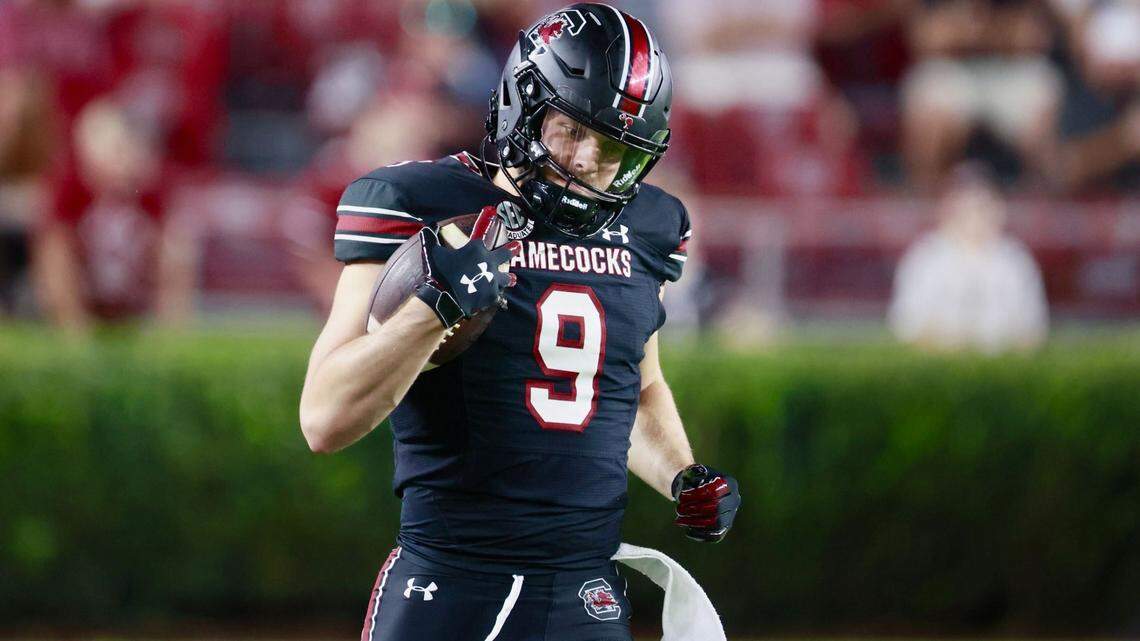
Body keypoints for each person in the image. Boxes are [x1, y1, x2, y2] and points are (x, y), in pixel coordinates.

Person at [298, 5, 741, 640]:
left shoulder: (651, 227)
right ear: (523, 105)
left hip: (583, 592)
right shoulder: (417, 204)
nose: (587, 160)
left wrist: (682, 475)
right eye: (571, 130)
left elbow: (636, 390)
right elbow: (323, 418)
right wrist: (432, 308)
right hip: (451, 581)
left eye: (615, 149)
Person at [888, 163, 1048, 353]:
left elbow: (1032, 331)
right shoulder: (925, 258)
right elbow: (908, 328)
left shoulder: (1015, 261)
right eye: (965, 207)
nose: (974, 217)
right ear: (947, 208)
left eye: (982, 207)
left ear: (999, 208)